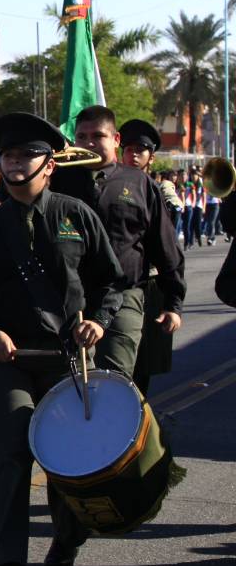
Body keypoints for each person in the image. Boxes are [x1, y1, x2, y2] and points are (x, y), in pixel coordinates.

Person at [0, 111, 125, 566]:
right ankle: (6, 565)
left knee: (65, 460)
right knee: (10, 456)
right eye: (7, 154)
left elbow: (111, 281)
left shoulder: (76, 215)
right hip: (12, 360)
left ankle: (67, 538)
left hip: (69, 359)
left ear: (49, 164)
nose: (13, 161)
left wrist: (99, 320)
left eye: (25, 154)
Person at [52, 105, 185, 388]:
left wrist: (174, 302)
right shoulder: (57, 180)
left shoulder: (139, 183)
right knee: (72, 383)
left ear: (115, 139)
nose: (88, 142)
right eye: (82, 136)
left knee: (116, 381)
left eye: (97, 135)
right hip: (69, 299)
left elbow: (164, 245)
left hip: (124, 295)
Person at [117, 119, 186, 397]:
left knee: (144, 362)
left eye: (140, 151)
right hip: (116, 284)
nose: (133, 155)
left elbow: (169, 247)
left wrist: (174, 301)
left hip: (150, 283)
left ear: (151, 157)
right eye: (129, 149)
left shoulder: (158, 189)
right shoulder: (108, 184)